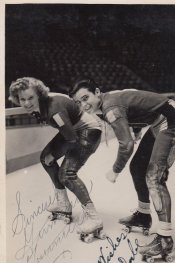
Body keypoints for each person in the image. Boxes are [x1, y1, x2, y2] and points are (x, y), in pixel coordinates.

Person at [69, 78, 175, 259]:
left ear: (97, 92)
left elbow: (126, 145)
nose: (83, 104)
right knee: (138, 167)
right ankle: (144, 216)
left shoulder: (110, 107)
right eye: (78, 102)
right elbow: (134, 108)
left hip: (170, 119)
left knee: (154, 177)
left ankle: (165, 238)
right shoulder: (105, 103)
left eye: (85, 98)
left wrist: (115, 170)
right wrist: (137, 130)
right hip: (158, 120)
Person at [8, 77, 104, 236]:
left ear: (39, 94)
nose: (26, 103)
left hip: (88, 132)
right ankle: (63, 204)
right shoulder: (42, 104)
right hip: (74, 130)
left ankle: (94, 218)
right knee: (44, 158)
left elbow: (72, 138)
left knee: (67, 174)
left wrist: (54, 154)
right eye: (22, 99)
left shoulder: (54, 111)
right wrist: (51, 155)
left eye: (31, 98)